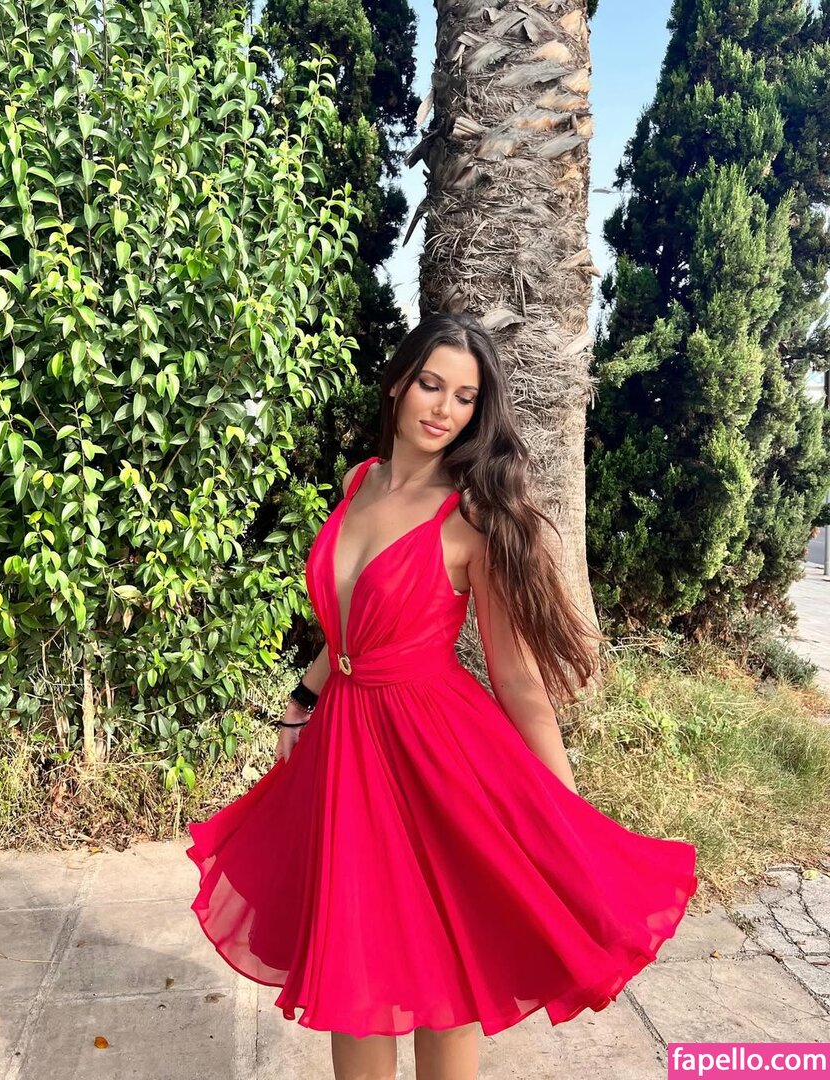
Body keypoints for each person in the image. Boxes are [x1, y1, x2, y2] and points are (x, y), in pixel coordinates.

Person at [186, 312, 699, 1080]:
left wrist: (563, 815)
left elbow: (517, 679)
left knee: (441, 977)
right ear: (399, 383)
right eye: (432, 385)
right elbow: (350, 623)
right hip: (347, 748)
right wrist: (303, 696)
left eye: (465, 397)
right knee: (354, 961)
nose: (444, 409)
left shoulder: (470, 519)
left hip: (434, 754)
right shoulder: (361, 481)